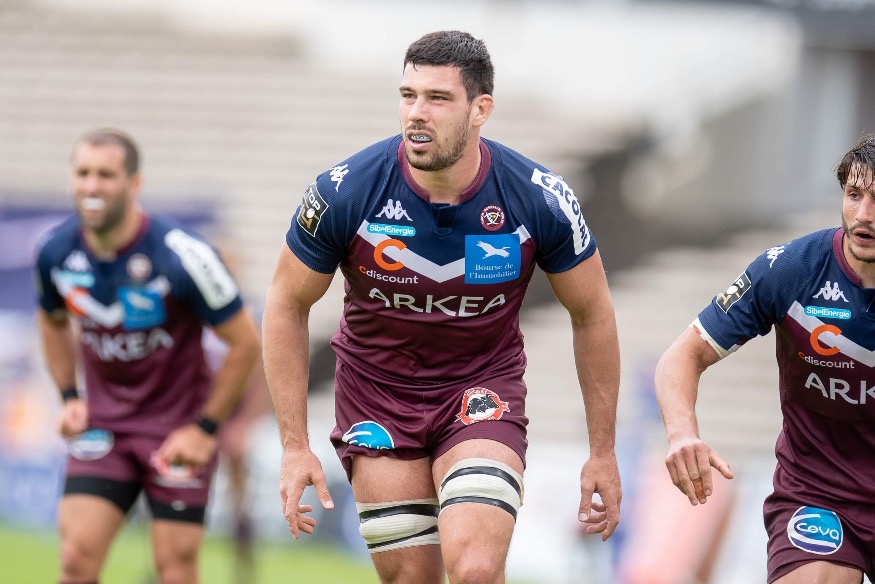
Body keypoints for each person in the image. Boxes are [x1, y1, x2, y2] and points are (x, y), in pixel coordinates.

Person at [262, 30, 622, 584]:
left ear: (481, 109)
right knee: (412, 578)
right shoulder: (346, 191)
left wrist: (602, 451)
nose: (416, 114)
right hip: (376, 396)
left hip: (481, 391)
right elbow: (286, 304)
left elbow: (593, 313)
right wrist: (294, 446)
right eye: (408, 95)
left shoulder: (538, 198)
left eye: (437, 98)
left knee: (476, 569)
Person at [35, 128, 261, 584]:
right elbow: (52, 319)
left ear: (133, 184)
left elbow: (246, 343)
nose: (92, 185)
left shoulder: (184, 255)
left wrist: (206, 429)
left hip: (176, 431)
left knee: (174, 571)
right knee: (75, 559)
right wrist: (68, 396)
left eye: (105, 174)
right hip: (103, 428)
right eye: (83, 173)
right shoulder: (56, 251)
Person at [655, 133, 875, 584]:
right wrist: (681, 434)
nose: (864, 216)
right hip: (819, 493)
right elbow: (682, 355)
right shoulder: (792, 269)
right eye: (854, 195)